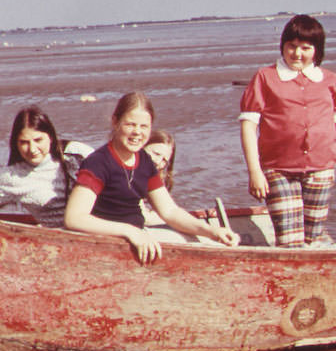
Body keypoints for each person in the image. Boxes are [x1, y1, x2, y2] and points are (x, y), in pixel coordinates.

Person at [65, 92, 239, 263]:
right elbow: (74, 218)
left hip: (139, 234)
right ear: (115, 122)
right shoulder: (98, 162)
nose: (137, 133)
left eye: (144, 127)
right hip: (107, 241)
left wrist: (212, 231)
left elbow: (170, 211)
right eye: (130, 125)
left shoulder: (145, 161)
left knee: (209, 244)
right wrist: (130, 232)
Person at [239, 14, 336, 247]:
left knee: (313, 237)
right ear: (282, 46)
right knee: (289, 241)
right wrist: (255, 172)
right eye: (291, 46)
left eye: (305, 47)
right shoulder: (265, 77)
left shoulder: (330, 80)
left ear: (317, 50)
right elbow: (248, 126)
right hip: (278, 169)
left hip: (321, 169)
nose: (297, 53)